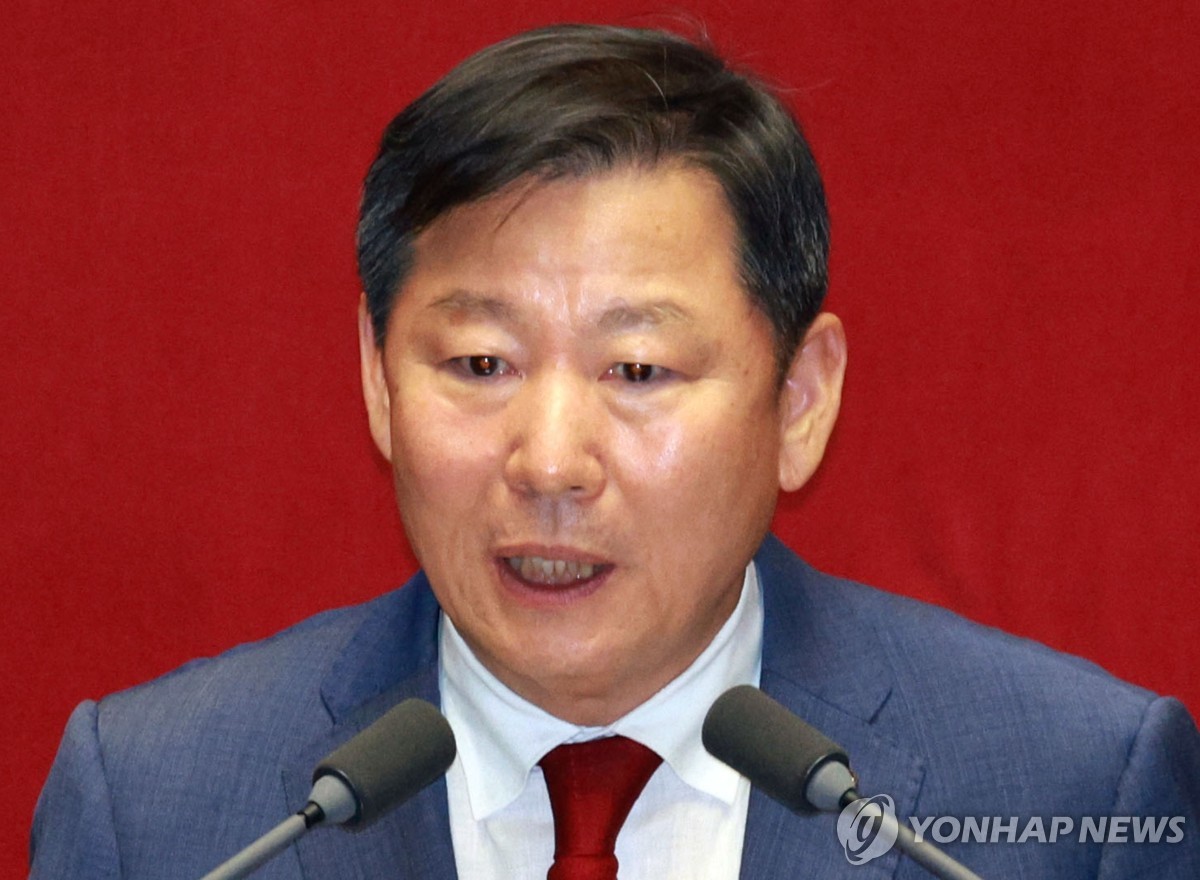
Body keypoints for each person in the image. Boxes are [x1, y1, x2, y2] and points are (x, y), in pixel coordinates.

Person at [30, 23, 1200, 880]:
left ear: (800, 400)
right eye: (480, 363)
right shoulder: (159, 809)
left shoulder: (1073, 796)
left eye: (636, 371)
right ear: (380, 384)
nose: (548, 462)